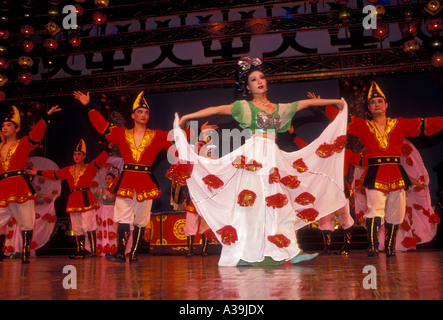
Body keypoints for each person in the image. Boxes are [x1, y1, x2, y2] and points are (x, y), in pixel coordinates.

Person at [173, 57, 348, 267]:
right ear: (248, 86)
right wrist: (186, 117)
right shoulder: (244, 107)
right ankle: (245, 253)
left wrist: (335, 101)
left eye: (262, 77)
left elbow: (306, 103)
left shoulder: (279, 108)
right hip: (255, 157)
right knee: (251, 207)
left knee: (281, 206)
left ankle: (291, 251)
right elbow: (218, 109)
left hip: (273, 157)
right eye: (254, 79)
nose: (259, 81)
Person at [73, 90, 181, 263]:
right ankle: (120, 253)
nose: (144, 115)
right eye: (140, 112)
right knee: (122, 216)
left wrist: (200, 131)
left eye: (146, 112)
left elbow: (178, 136)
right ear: (133, 115)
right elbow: (102, 126)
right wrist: (89, 106)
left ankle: (134, 254)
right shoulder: (122, 133)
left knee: (141, 219)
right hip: (127, 179)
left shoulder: (157, 136)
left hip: (146, 180)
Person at [347, 81, 443, 257]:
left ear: (386, 104)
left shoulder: (399, 124)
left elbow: (423, 125)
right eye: (373, 102)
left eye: (379, 101)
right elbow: (340, 124)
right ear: (368, 107)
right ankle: (373, 246)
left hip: (396, 173)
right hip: (375, 173)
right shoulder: (362, 126)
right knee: (375, 210)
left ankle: (390, 247)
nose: (377, 104)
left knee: (395, 213)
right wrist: (327, 106)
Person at [27, 139, 110, 259]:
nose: (76, 156)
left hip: (86, 197)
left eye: (79, 154)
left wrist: (108, 147)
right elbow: (54, 174)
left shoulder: (90, 167)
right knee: (77, 227)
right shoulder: (68, 170)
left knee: (90, 225)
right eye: (75, 154)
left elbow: (101, 159)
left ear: (84, 156)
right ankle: (80, 252)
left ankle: (93, 252)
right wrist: (37, 172)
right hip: (74, 199)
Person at [0, 104, 60, 263]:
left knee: (26, 220)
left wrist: (46, 118)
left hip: (19, 185)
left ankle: (25, 254)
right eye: (3, 126)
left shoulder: (23, 143)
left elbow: (36, 135)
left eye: (8, 125)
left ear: (17, 128)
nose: (4, 128)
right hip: (3, 186)